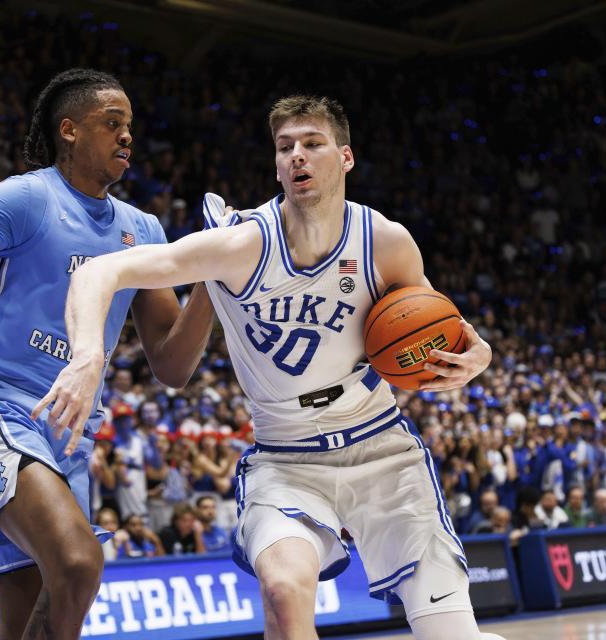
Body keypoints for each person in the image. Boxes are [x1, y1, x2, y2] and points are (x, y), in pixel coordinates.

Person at [44, 95, 503, 640]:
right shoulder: (242, 244)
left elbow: (440, 330)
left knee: (451, 632)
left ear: (346, 157)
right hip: (287, 458)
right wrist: (88, 355)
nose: (297, 157)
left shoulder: (385, 241)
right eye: (285, 147)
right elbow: (98, 272)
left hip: (382, 448)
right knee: (285, 592)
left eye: (312, 143)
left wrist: (480, 355)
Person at [0, 68, 215, 637]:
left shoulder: (143, 229)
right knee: (77, 563)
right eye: (112, 124)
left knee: (31, 612)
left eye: (130, 126)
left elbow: (171, 366)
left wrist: (214, 281)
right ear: (69, 130)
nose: (127, 137)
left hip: (69, 430)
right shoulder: (26, 196)